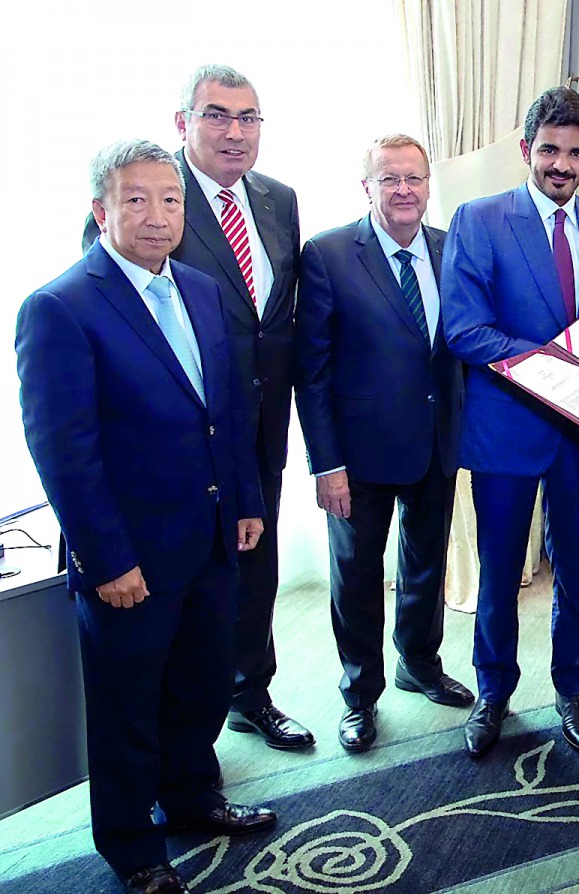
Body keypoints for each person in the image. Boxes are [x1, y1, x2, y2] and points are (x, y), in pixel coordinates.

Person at [17, 140, 277, 894]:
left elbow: (225, 409)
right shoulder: (59, 307)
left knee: (199, 686)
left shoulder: (197, 287)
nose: (157, 215)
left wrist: (247, 502)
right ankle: (133, 847)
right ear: (101, 210)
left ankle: (194, 800)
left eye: (170, 198)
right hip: (128, 554)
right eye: (136, 199)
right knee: (128, 708)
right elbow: (65, 452)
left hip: (210, 534)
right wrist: (106, 560)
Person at [84, 63, 309, 750]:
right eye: (217, 115)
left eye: (248, 118)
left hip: (258, 427)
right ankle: (174, 740)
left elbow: (277, 315)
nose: (234, 132)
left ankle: (251, 692)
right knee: (177, 591)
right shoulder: (148, 198)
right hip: (177, 441)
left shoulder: (279, 198)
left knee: (253, 563)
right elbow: (108, 319)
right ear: (182, 122)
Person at [441, 86, 579, 758]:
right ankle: (493, 694)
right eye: (550, 150)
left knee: (574, 572)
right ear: (527, 149)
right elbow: (464, 330)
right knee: (500, 576)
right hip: (507, 427)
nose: (562, 164)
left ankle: (573, 689)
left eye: (576, 153)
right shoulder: (478, 218)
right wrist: (549, 366)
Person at [294, 134, 472, 753]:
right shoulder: (328, 254)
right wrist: (327, 464)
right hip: (358, 456)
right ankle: (358, 693)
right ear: (366, 186)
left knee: (426, 566)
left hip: (435, 444)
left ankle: (418, 664)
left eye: (414, 179)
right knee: (357, 575)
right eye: (389, 179)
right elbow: (310, 371)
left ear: (429, 185)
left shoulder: (454, 250)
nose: (404, 190)